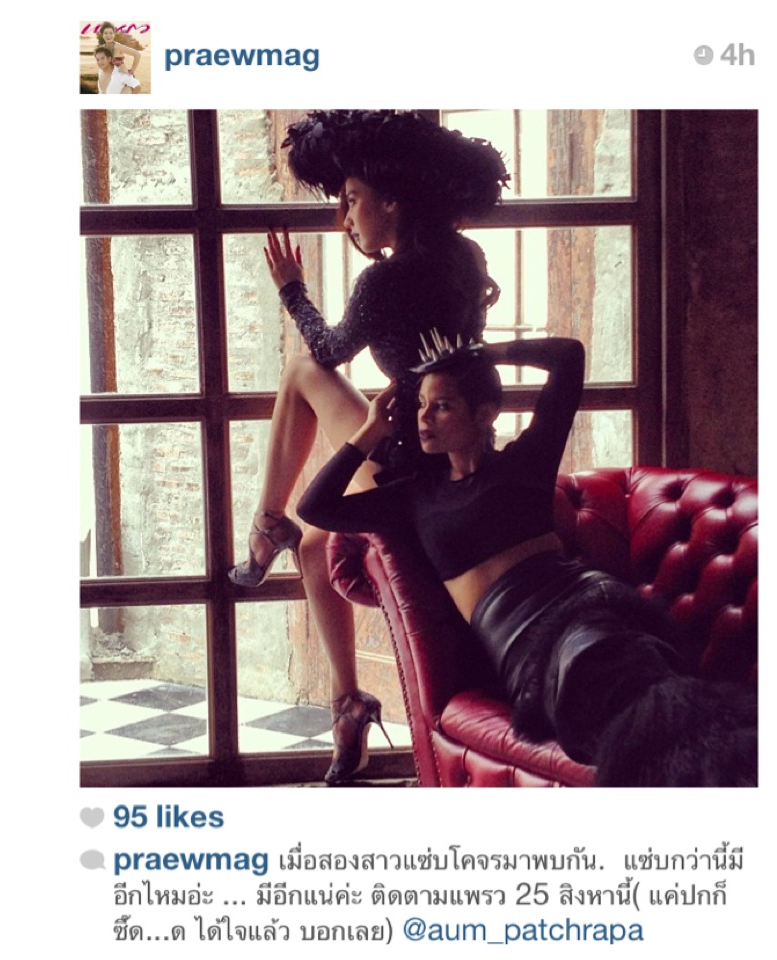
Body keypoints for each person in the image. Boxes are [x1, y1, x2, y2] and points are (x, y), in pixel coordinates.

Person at [297, 336, 758, 786]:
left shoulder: (525, 462)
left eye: (442, 405)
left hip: (592, 604)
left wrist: (483, 353)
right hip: (527, 648)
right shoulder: (414, 497)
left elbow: (569, 356)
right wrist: (370, 430)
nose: (424, 417)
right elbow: (315, 507)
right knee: (608, 704)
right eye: (420, 404)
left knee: (637, 684)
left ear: (486, 413)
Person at [227, 111, 508, 785]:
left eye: (353, 199)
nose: (346, 218)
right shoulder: (463, 258)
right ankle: (349, 709)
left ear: (392, 202)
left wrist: (292, 291)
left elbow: (329, 350)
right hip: (448, 448)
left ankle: (267, 523)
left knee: (301, 368)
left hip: (405, 459)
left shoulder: (385, 280)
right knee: (316, 549)